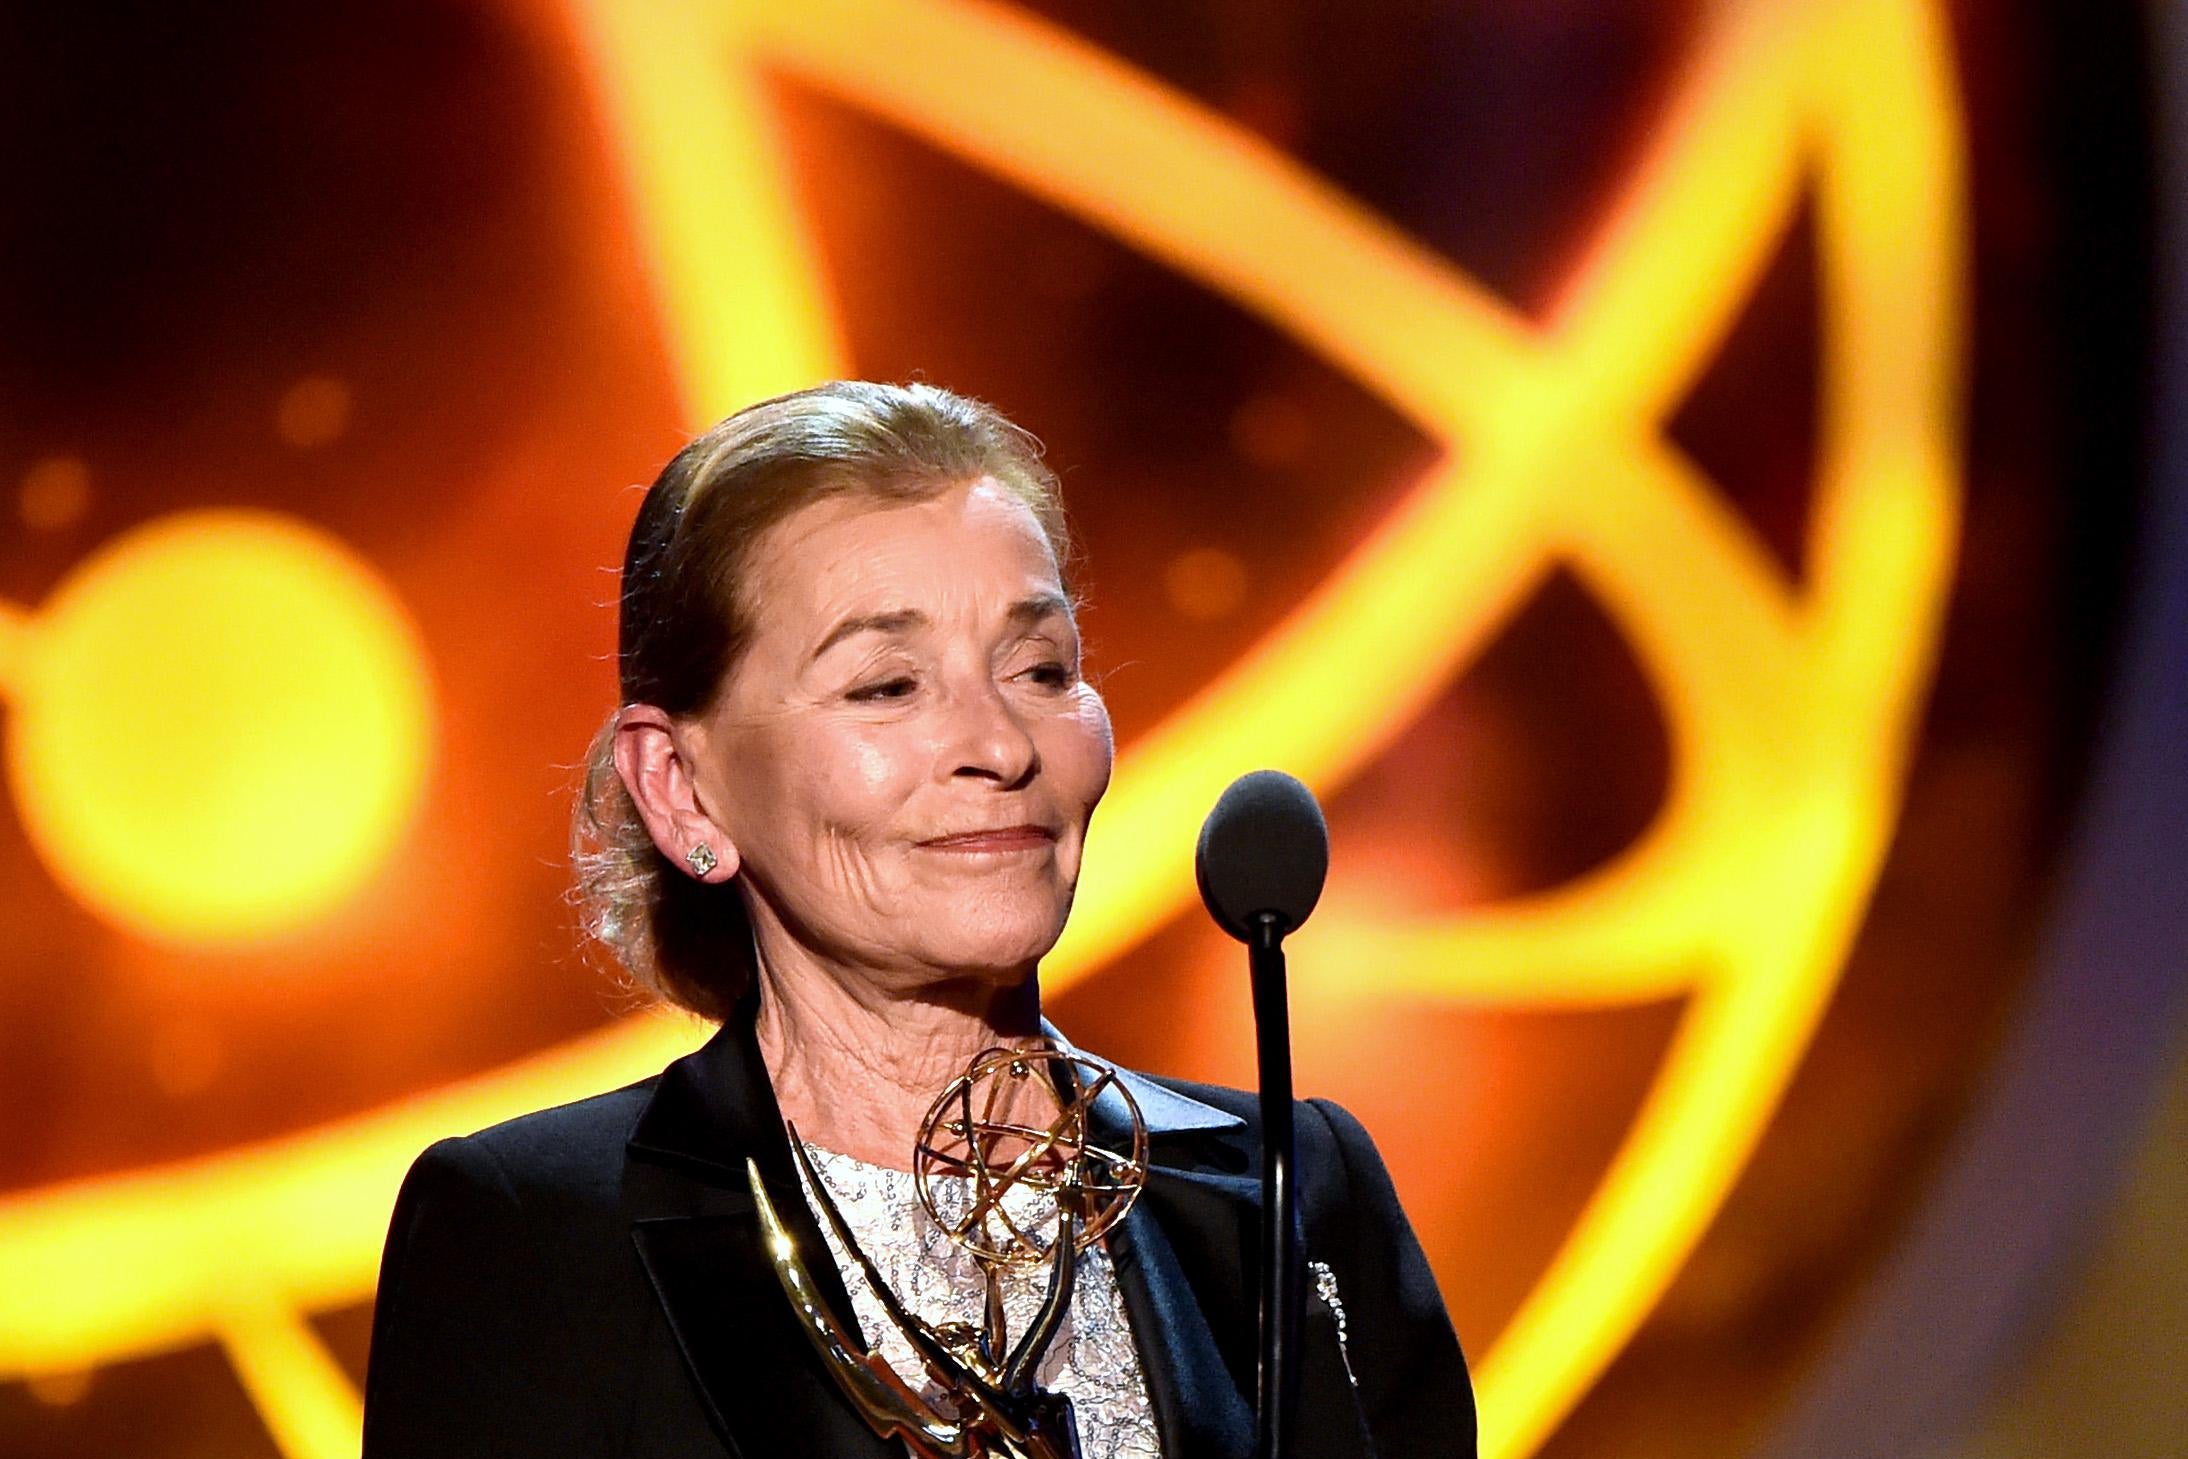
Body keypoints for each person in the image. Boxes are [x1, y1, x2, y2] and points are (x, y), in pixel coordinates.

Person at [361, 380, 1475, 1458]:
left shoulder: (1290, 1185)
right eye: (888, 685)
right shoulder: (535, 1235)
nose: (1000, 745)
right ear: (681, 788)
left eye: (1040, 666)